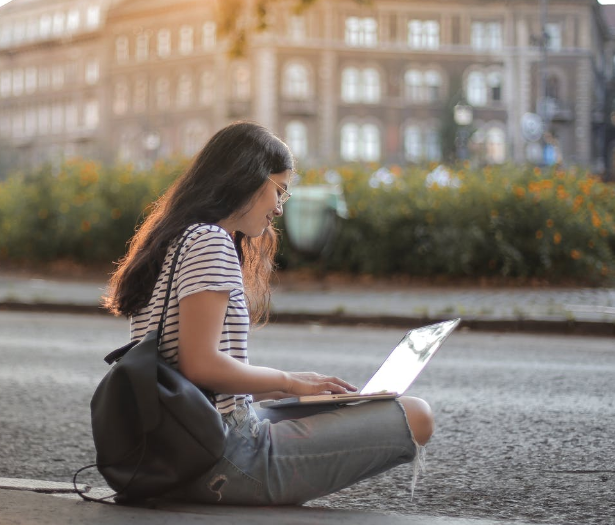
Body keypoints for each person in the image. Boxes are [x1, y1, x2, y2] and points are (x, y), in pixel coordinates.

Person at [103, 121, 434, 505]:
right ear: (245, 178)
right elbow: (200, 366)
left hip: (178, 445)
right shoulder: (211, 240)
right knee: (416, 415)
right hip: (216, 457)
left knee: (343, 405)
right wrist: (291, 384)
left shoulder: (171, 239)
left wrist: (291, 383)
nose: (279, 207)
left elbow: (185, 367)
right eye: (278, 190)